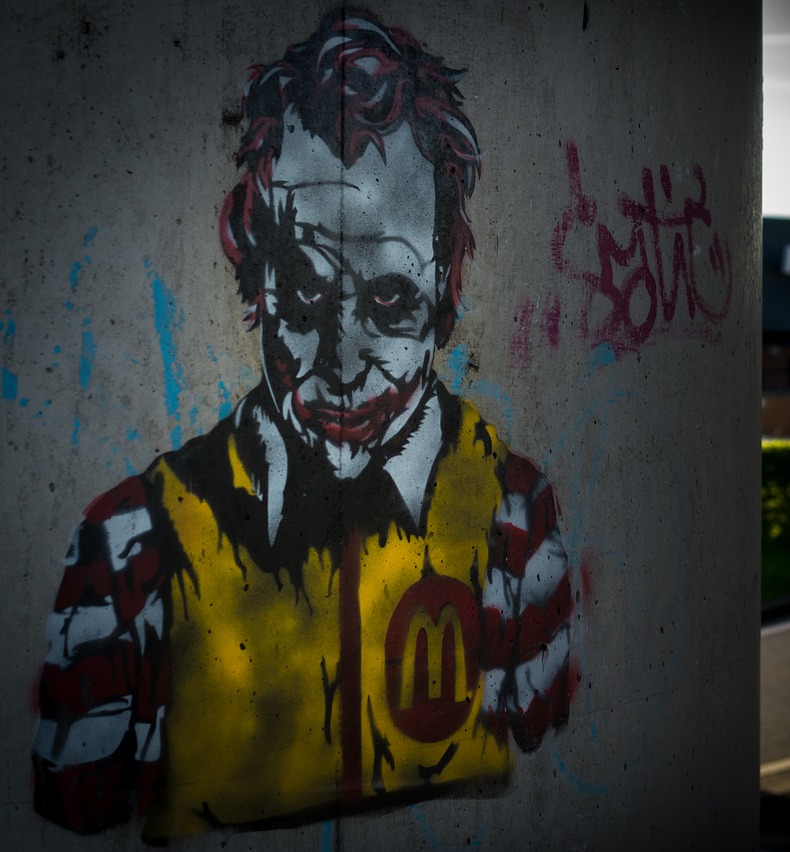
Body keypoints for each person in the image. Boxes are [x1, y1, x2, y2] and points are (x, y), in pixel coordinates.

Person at [31, 10, 575, 840]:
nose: (341, 359)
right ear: (255, 275)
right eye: (304, 292)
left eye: (389, 299)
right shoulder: (132, 551)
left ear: (445, 289)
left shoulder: (517, 524)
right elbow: (72, 810)